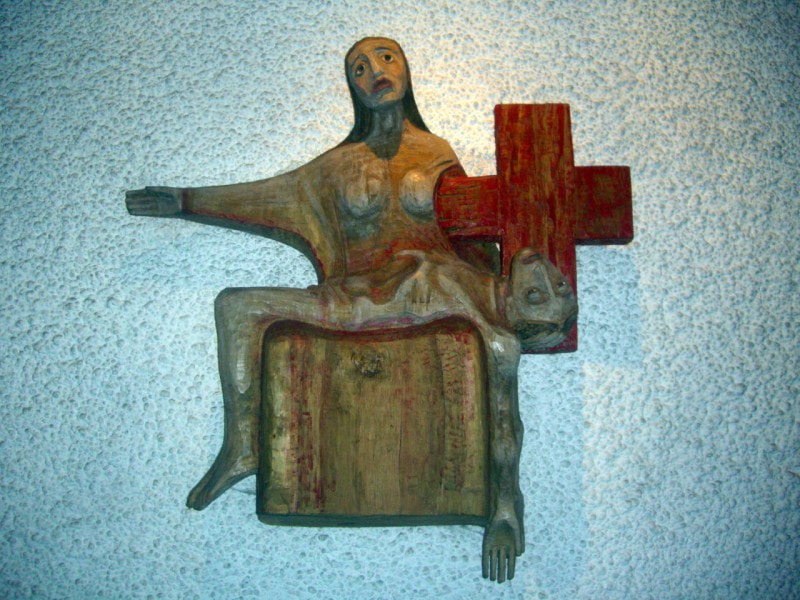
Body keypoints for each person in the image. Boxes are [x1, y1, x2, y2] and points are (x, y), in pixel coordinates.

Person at [126, 37, 576, 582]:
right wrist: (183, 201)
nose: (374, 71)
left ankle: (502, 504)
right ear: (351, 87)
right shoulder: (335, 167)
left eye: (386, 58)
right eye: (358, 67)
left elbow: (477, 250)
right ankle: (243, 446)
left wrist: (505, 510)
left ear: (406, 70)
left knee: (499, 351)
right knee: (238, 307)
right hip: (355, 301)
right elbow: (267, 195)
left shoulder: (437, 152)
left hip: (437, 298)